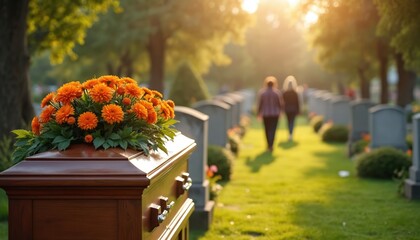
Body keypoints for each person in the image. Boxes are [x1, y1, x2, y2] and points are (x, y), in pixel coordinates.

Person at [257, 76, 284, 152]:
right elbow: (280, 104)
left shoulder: (262, 93)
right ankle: (271, 145)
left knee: (267, 129)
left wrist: (259, 114)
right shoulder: (277, 93)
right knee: (273, 130)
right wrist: (281, 112)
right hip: (275, 114)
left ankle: (268, 145)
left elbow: (260, 104)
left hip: (266, 114)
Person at [282, 75, 300, 142]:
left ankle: (289, 133)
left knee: (288, 121)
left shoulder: (285, 93)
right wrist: (298, 110)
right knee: (292, 122)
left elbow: (282, 102)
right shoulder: (295, 93)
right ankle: (291, 133)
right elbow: (297, 102)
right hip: (293, 109)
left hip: (287, 109)